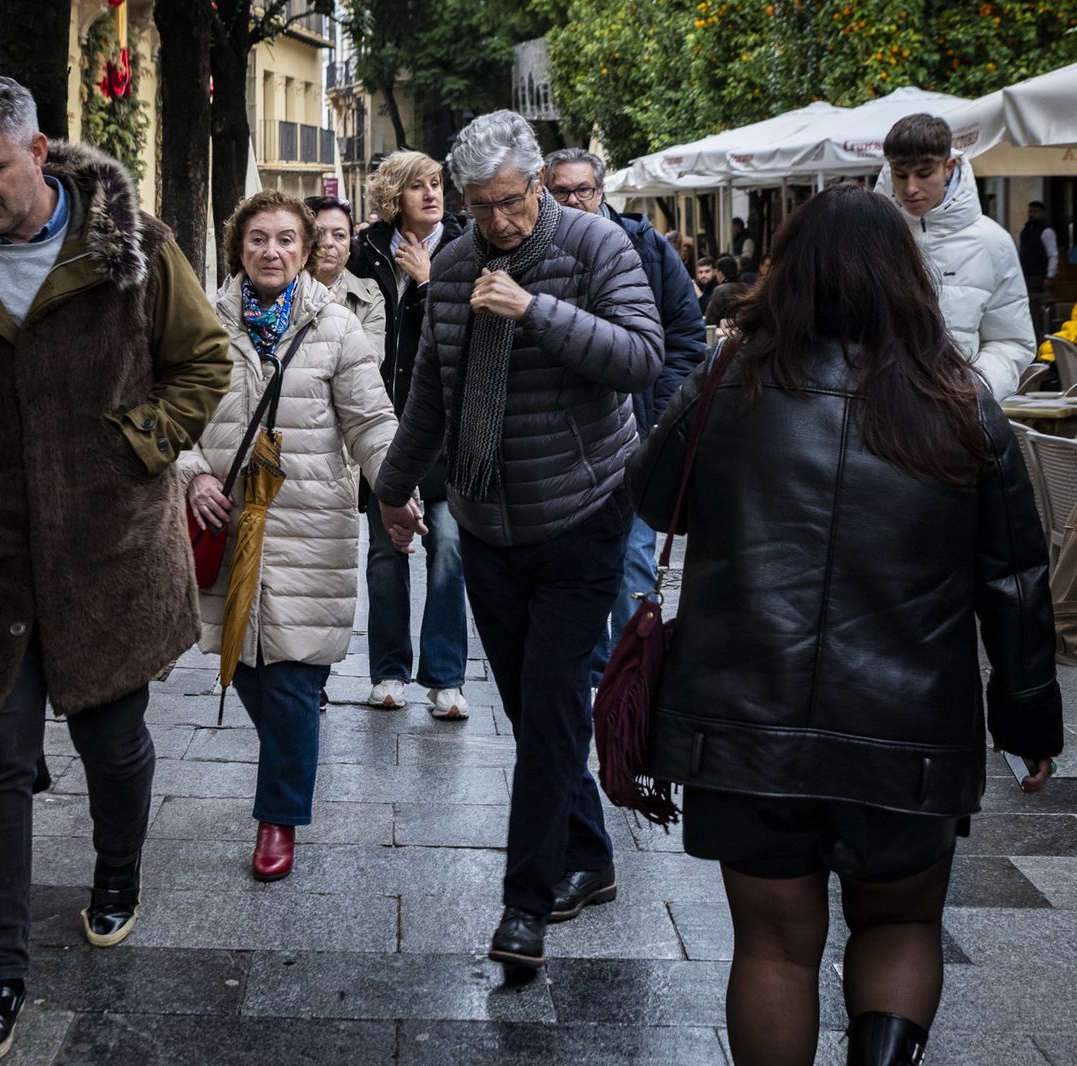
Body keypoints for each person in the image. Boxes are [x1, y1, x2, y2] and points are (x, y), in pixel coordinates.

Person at [627, 182, 1062, 1066]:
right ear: (907, 278)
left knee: (774, 947)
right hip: (905, 736)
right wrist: (1027, 721)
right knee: (901, 920)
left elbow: (651, 497)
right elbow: (1015, 582)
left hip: (745, 729)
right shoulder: (961, 401)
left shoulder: (729, 379)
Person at [0, 75, 229, 1066]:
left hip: (106, 547)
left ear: (39, 151)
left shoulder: (132, 248)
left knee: (113, 742)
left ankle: (117, 871)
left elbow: (202, 360)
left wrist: (142, 443)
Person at [374, 110, 662, 970]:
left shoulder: (595, 247)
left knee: (548, 710)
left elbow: (643, 357)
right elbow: (432, 392)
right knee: (539, 709)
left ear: (538, 184)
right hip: (489, 521)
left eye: (510, 202)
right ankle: (593, 859)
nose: (497, 222)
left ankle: (522, 909)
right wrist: (392, 492)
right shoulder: (455, 264)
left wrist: (537, 310)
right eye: (478, 207)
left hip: (583, 513)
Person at [181, 190, 397, 883]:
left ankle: (278, 818)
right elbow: (171, 419)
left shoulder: (337, 329)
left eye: (284, 240)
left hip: (310, 528)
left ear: (307, 251)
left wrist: (396, 489)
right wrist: (192, 475)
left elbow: (370, 423)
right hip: (228, 526)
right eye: (256, 240)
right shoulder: (202, 326)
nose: (270, 252)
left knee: (296, 677)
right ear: (236, 248)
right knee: (246, 665)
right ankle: (293, 756)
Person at [541, 148, 705, 697]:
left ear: (601, 190)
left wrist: (658, 415)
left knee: (635, 556)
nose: (573, 201)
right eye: (560, 192)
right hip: (563, 442)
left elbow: (686, 337)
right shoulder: (536, 250)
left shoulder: (647, 249)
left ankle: (633, 670)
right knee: (579, 562)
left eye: (582, 190)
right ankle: (587, 672)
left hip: (636, 438)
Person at [347, 150, 473, 719]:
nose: (432, 194)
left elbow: (465, 334)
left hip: (449, 431)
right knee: (384, 552)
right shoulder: (368, 249)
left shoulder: (468, 248)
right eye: (418, 185)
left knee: (447, 545)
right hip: (383, 427)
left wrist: (427, 285)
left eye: (437, 184)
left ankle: (446, 677)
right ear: (395, 195)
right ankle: (389, 672)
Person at [876, 113, 1034, 399]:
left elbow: (1012, 341)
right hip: (873, 418)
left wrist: (973, 391)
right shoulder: (867, 235)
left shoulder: (993, 242)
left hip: (957, 422)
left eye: (924, 174)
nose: (911, 188)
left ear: (948, 167)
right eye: (900, 175)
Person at [304, 195, 385, 343]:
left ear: (350, 245)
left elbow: (368, 359)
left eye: (339, 235)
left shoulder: (369, 296)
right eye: (319, 234)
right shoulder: (283, 290)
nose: (328, 242)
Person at [1021, 199, 1058, 297]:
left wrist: (1049, 276)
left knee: (1042, 305)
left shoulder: (1046, 231)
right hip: (1027, 275)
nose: (1032, 214)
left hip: (1041, 276)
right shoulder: (1025, 230)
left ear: (1042, 214)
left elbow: (1053, 255)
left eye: (1035, 212)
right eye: (1030, 211)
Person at [704, 255, 749, 327]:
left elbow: (710, 319)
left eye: (717, 271)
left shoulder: (719, 290)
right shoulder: (746, 287)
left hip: (725, 332)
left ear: (721, 273)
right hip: (746, 330)